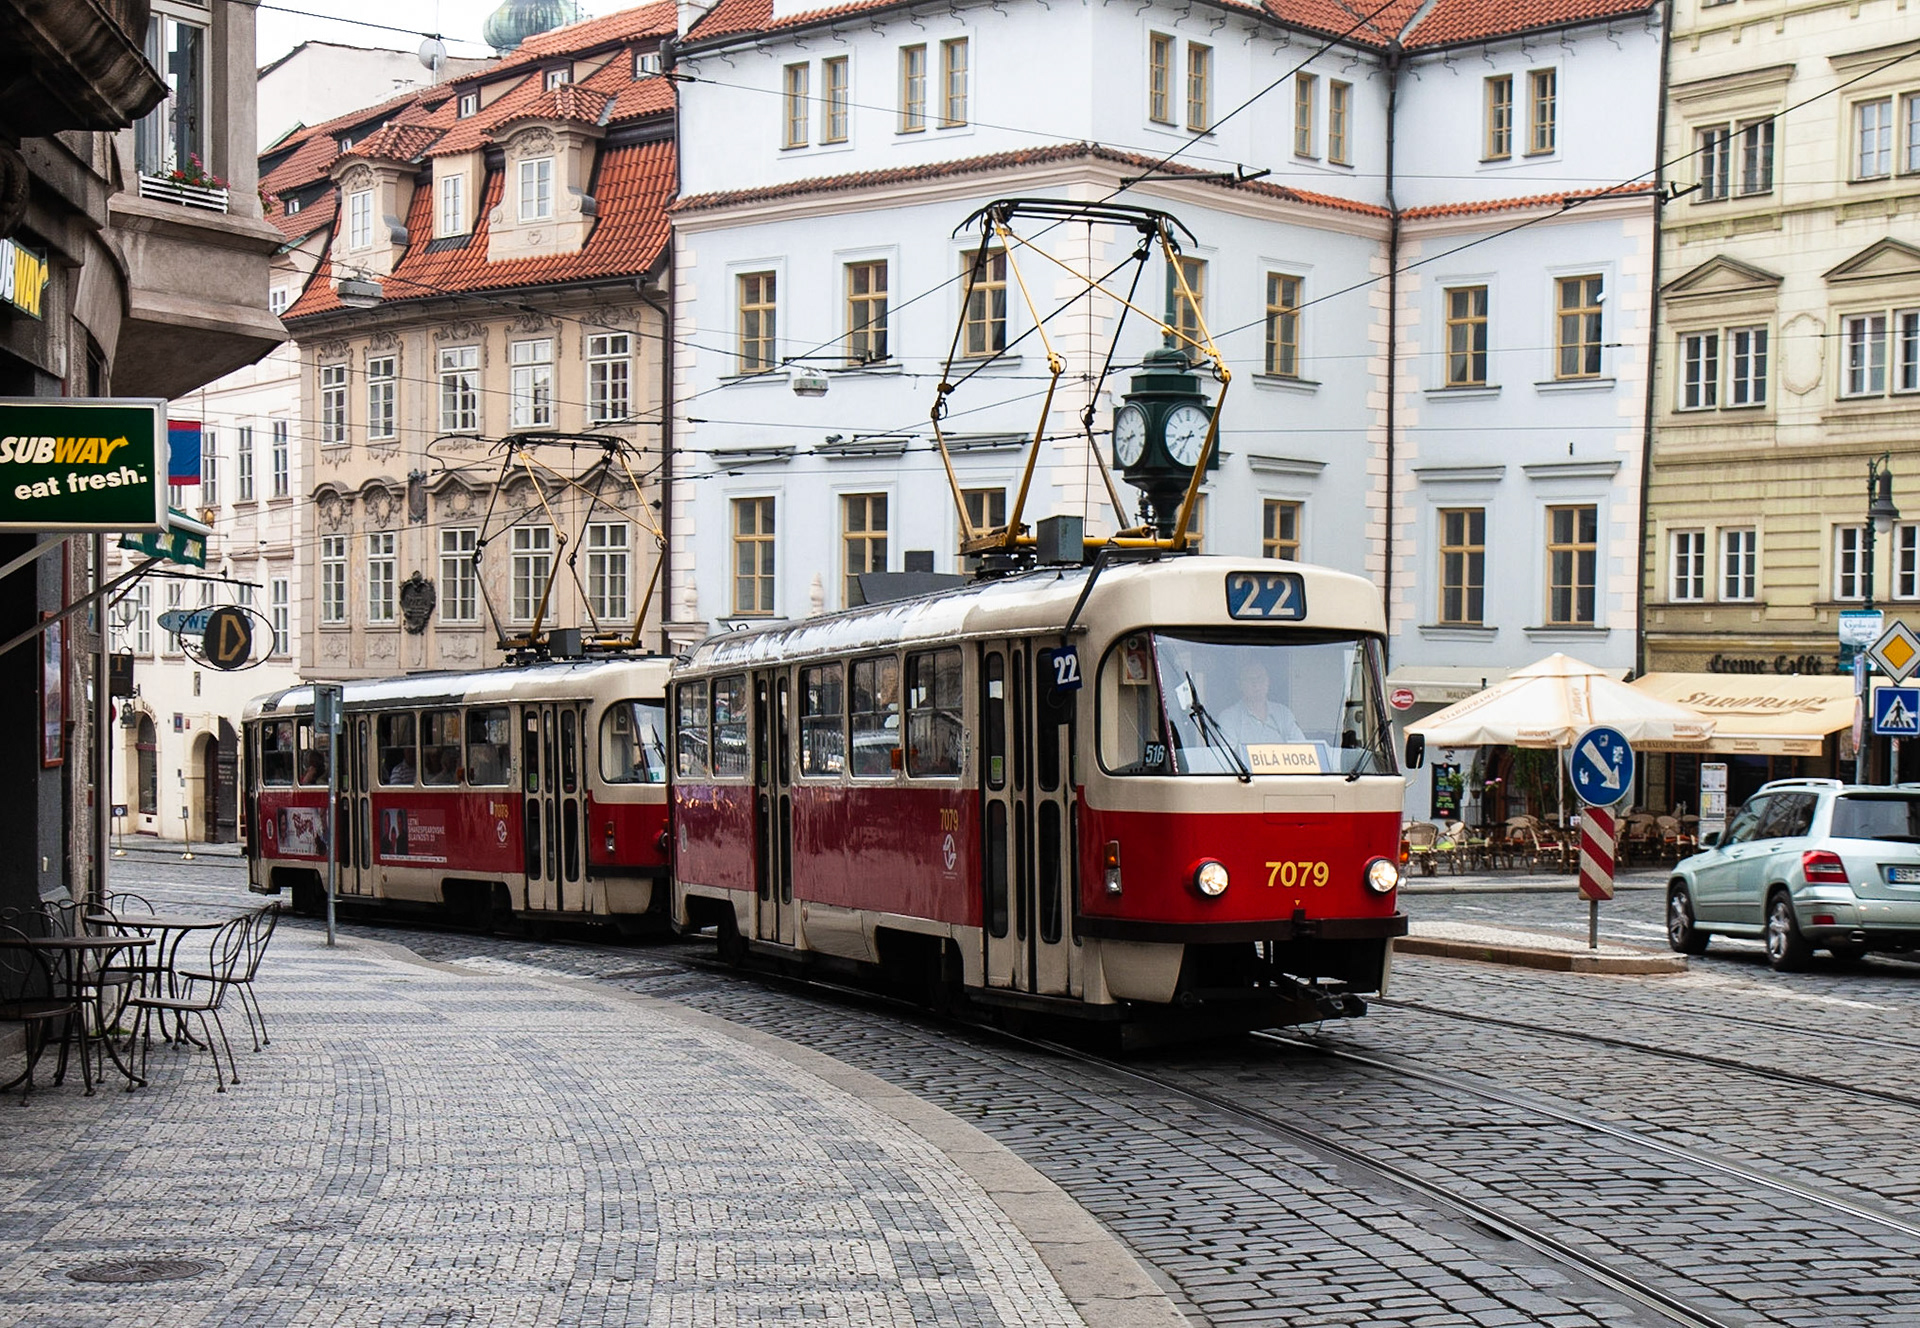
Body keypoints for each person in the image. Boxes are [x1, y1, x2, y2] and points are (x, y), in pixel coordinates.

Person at [1213, 657, 1307, 749]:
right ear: (1239, 684)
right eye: (1250, 679)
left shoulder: (1284, 714)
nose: (1256, 684)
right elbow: (1229, 757)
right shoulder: (1228, 718)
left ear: (1268, 681)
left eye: (1260, 678)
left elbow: (1303, 748)